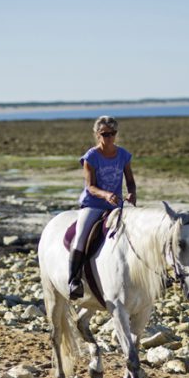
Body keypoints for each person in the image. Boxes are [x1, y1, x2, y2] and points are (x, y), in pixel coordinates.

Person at [69, 116, 137, 299]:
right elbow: (90, 186)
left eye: (112, 134)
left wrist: (132, 193)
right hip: (93, 204)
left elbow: (130, 181)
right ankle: (74, 280)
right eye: (105, 134)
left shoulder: (123, 155)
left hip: (116, 206)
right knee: (82, 236)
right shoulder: (91, 157)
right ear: (97, 135)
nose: (109, 137)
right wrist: (106, 194)